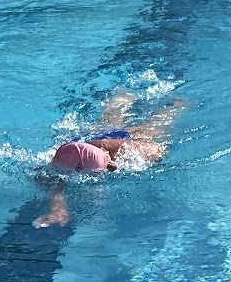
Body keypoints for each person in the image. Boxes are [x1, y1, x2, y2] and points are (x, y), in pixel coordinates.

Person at [34, 96, 184, 226]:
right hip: (89, 138)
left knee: (151, 128)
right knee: (108, 121)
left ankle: (177, 104)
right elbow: (51, 181)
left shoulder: (124, 149)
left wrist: (151, 156)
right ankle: (121, 98)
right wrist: (58, 209)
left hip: (118, 141)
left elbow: (160, 150)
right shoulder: (62, 158)